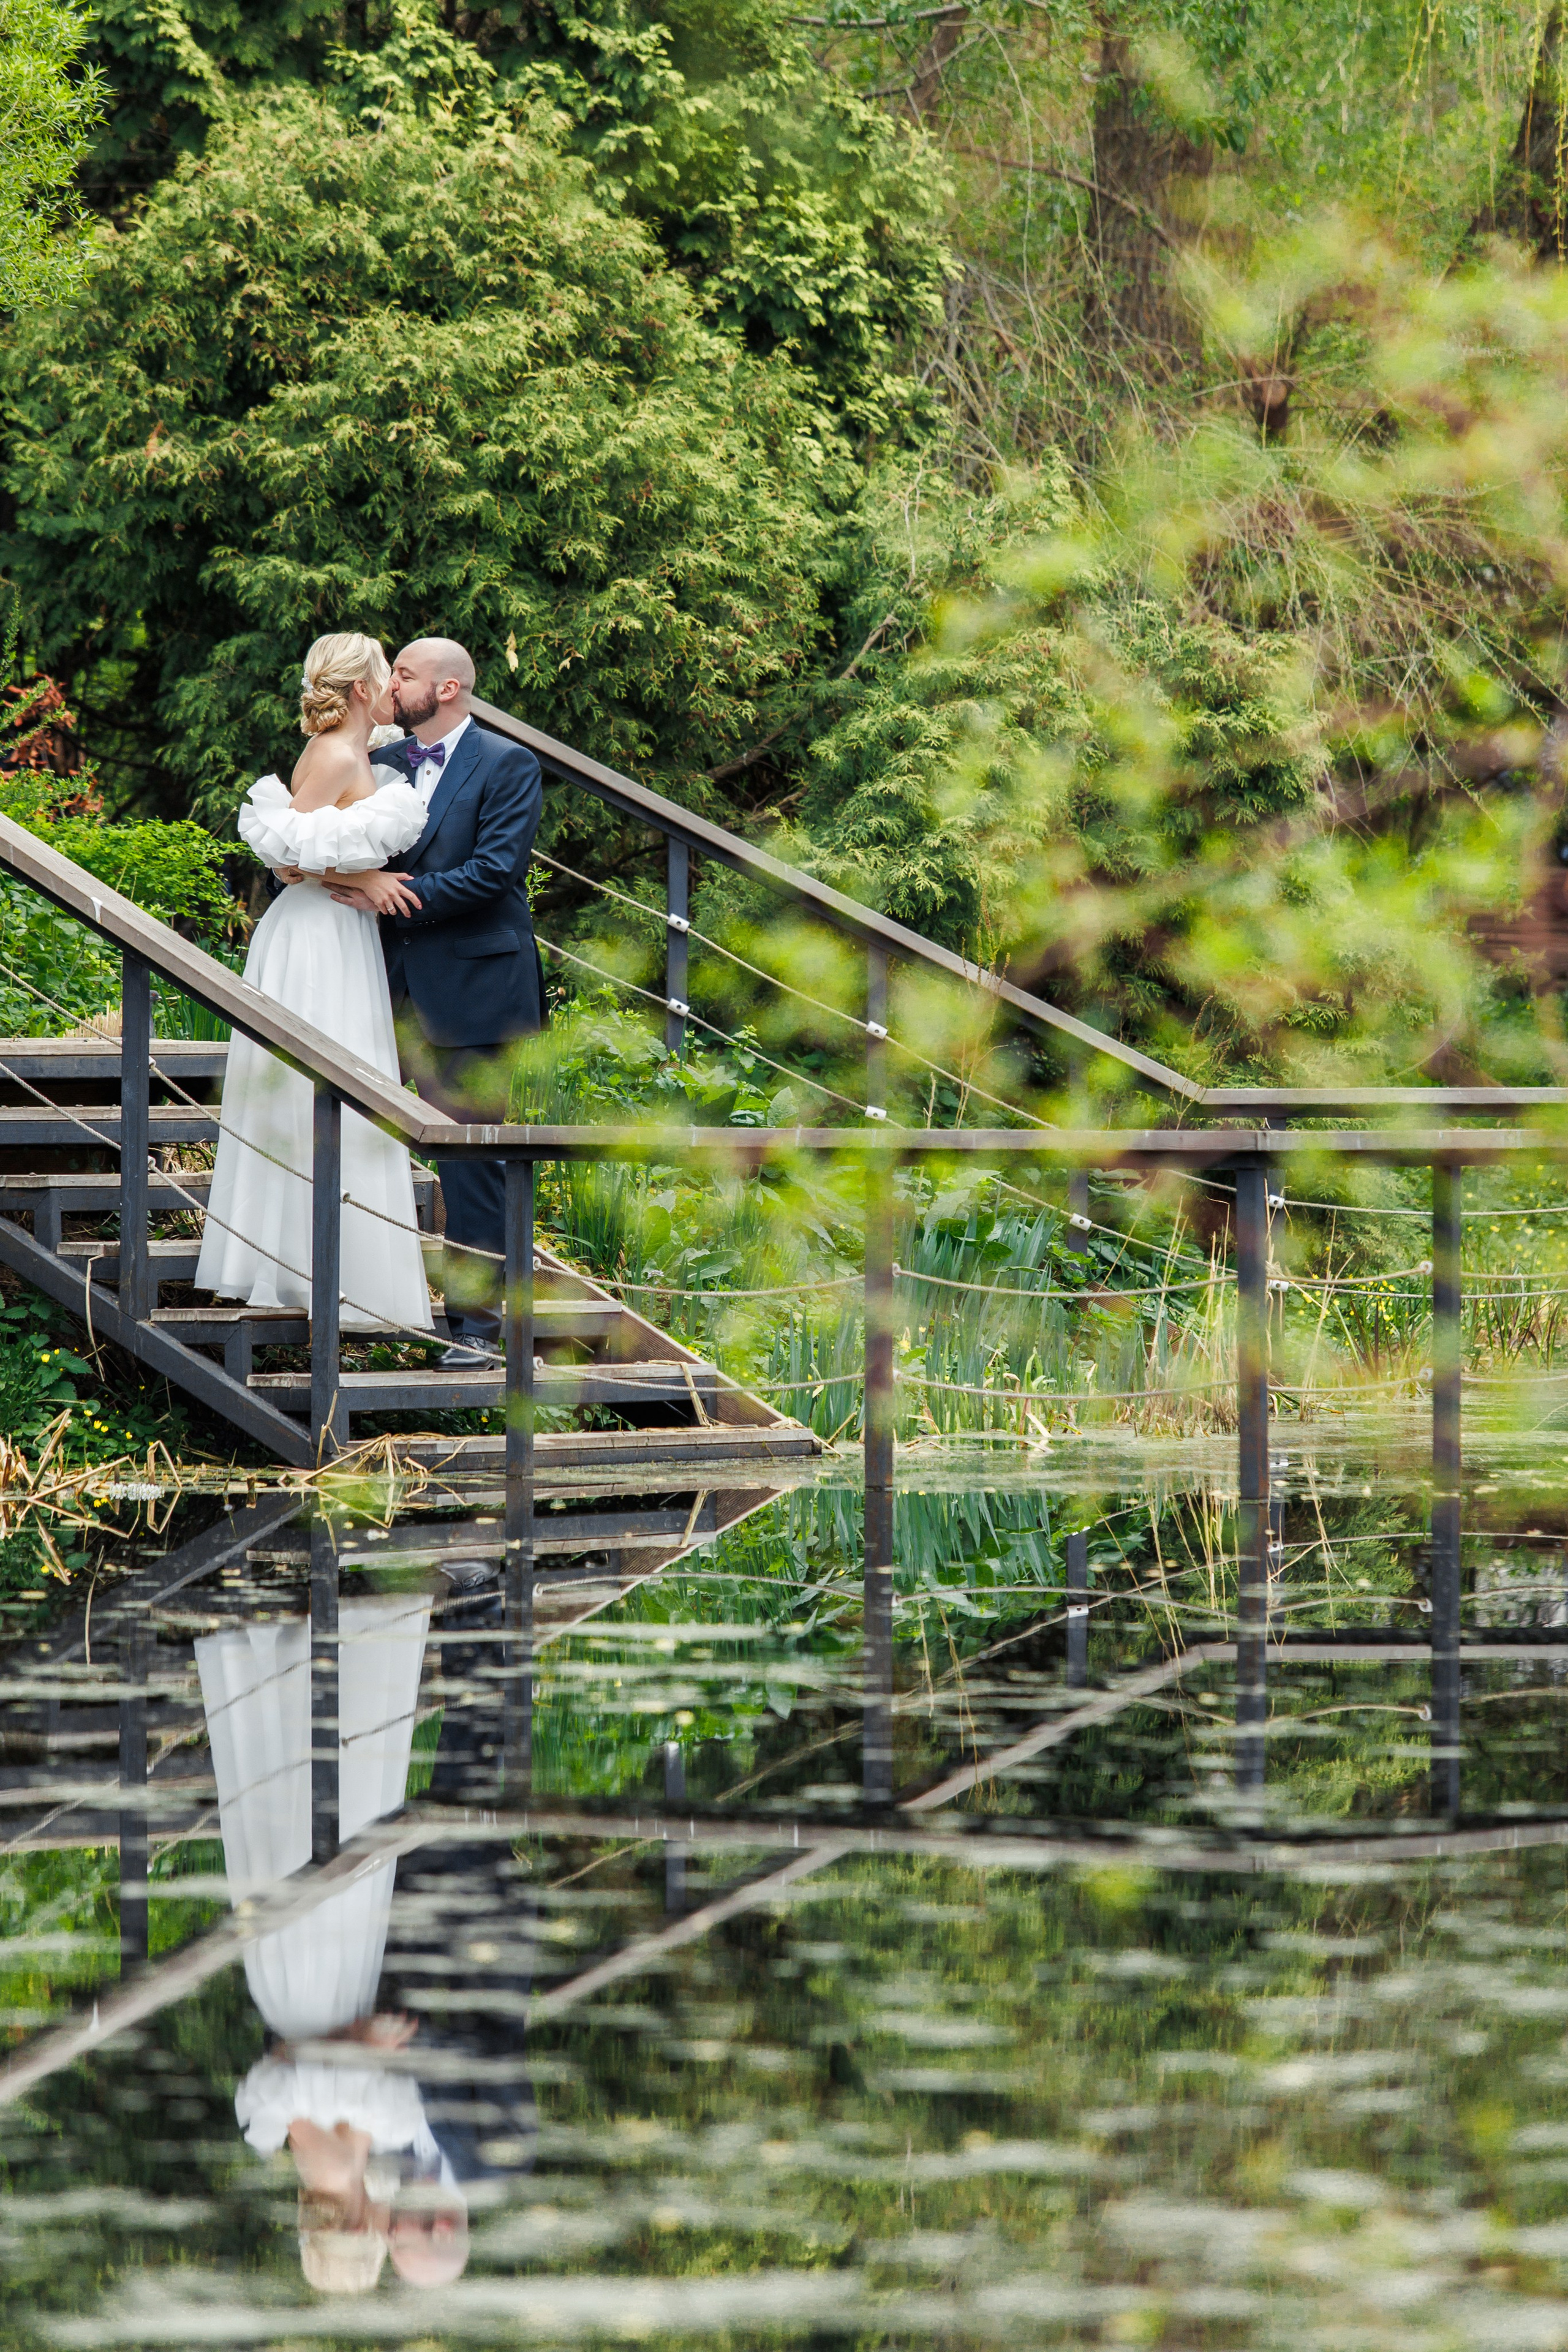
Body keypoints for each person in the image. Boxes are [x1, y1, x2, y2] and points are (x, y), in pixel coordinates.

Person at [195, 632, 433, 1336]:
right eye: (388, 671)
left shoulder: (360, 749)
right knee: (313, 1088)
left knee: (348, 1088)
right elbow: (291, 855)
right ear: (363, 688)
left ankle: (346, 1270)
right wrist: (365, 876)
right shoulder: (332, 753)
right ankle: (298, 1267)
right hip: (315, 936)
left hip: (343, 931)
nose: (395, 681)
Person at [323, 639, 545, 1369]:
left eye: (407, 675)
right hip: (378, 982)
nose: (393, 686)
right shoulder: (378, 763)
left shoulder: (508, 764)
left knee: (469, 1159)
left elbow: (492, 872)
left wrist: (393, 895)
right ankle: (357, 1300)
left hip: (476, 991)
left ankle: (477, 1330)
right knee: (349, 1140)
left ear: (448, 689)